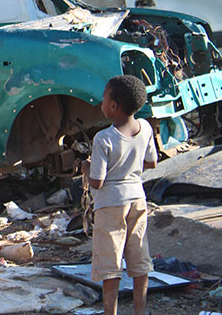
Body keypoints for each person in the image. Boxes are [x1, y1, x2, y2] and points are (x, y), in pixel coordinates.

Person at [82, 75, 157, 315]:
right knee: (139, 258)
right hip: (137, 198)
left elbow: (98, 181)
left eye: (104, 98)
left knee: (110, 264)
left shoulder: (104, 138)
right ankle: (139, 311)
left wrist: (85, 167)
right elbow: (152, 162)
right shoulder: (145, 127)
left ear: (114, 106)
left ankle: (110, 312)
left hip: (110, 204)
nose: (100, 102)